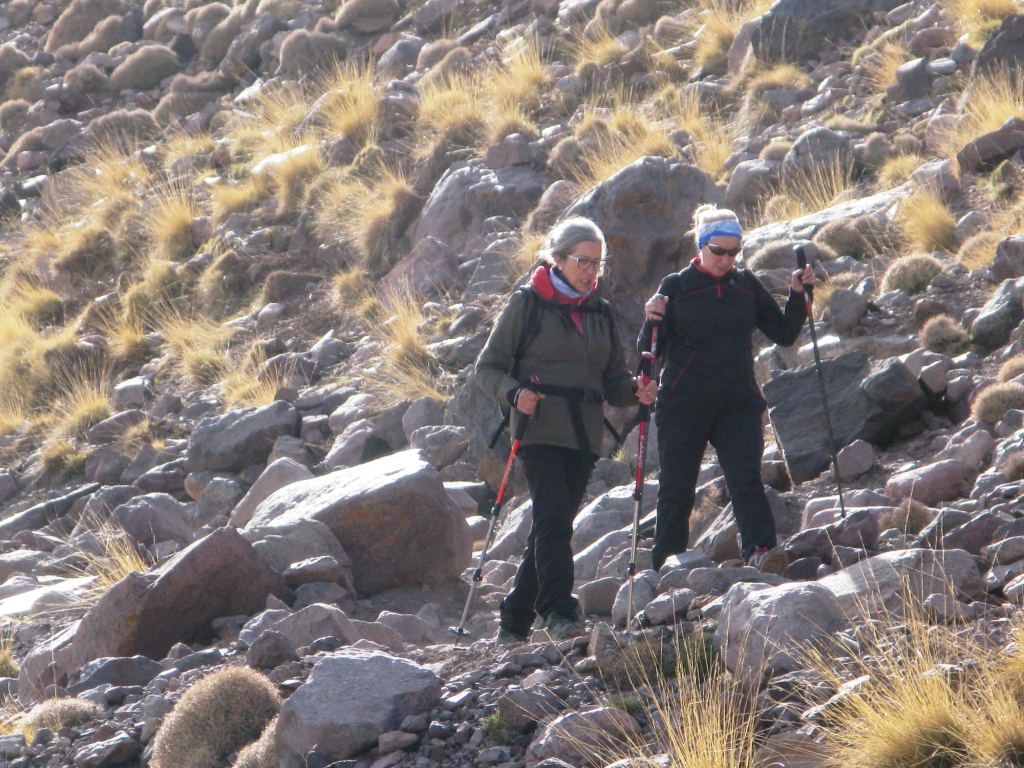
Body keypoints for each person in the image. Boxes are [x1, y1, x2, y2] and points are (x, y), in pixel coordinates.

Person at [477, 216, 658, 643]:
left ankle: (514, 618)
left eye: (597, 263)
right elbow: (487, 369)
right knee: (555, 518)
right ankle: (558, 610)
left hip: (584, 435)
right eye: (582, 261)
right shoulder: (527, 304)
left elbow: (613, 382)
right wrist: (514, 392)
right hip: (538, 429)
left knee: (550, 526)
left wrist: (637, 390)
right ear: (557, 259)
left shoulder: (601, 311)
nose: (590, 271)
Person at [639, 204, 815, 575]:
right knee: (676, 489)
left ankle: (762, 551)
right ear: (700, 246)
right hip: (683, 404)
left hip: (737, 402)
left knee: (746, 480)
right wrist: (650, 325)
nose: (726, 259)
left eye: (733, 252)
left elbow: (784, 333)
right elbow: (651, 348)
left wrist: (798, 295)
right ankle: (666, 570)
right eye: (718, 251)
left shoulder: (746, 285)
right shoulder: (676, 287)